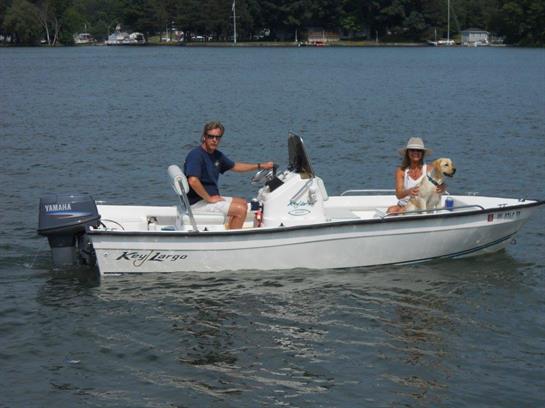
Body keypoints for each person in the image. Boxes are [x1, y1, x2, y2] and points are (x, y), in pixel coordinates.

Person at [184, 121, 274, 229]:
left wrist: (261, 165)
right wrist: (209, 199)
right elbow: (193, 180)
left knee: (243, 203)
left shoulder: (216, 155)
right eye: (211, 136)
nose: (214, 140)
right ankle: (232, 238)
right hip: (198, 203)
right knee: (240, 210)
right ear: (204, 137)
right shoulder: (196, 155)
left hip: (209, 198)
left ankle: (231, 229)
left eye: (217, 137)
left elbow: (235, 166)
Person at [387, 137, 446, 214]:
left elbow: (441, 183)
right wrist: (408, 191)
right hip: (403, 205)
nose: (415, 152)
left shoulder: (430, 169)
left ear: (422, 153)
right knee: (391, 210)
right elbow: (398, 195)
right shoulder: (401, 171)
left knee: (401, 212)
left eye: (419, 150)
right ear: (407, 153)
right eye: (412, 150)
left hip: (421, 206)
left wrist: (443, 187)